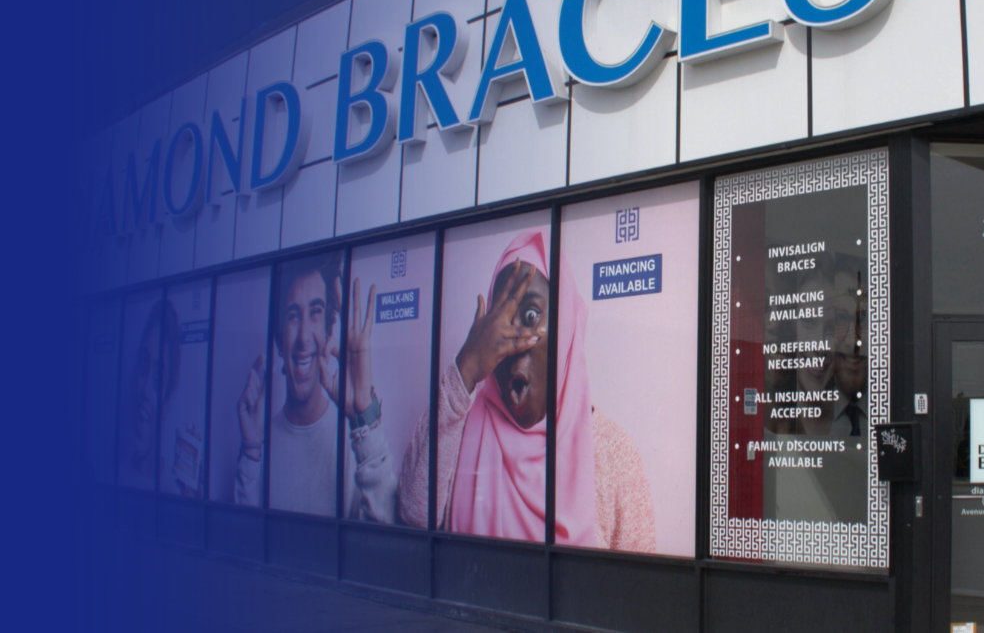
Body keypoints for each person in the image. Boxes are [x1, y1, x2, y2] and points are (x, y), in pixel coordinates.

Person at [395, 230, 656, 551]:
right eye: (499, 320)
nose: (511, 340)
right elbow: (413, 513)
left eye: (531, 315)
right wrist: (464, 370)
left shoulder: (613, 454)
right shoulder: (460, 427)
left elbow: (639, 591)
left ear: (565, 327)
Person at [233, 254, 397, 518]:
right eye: (293, 316)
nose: (304, 337)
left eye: (316, 312)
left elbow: (385, 544)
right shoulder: (260, 445)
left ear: (328, 330)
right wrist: (251, 451)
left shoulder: (356, 441)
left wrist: (365, 416)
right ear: (279, 337)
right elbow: (244, 543)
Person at [125, 298, 201, 495]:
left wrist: (190, 507)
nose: (144, 391)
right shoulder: (113, 476)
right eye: (143, 368)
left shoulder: (176, 490)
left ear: (167, 403)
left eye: (158, 381)